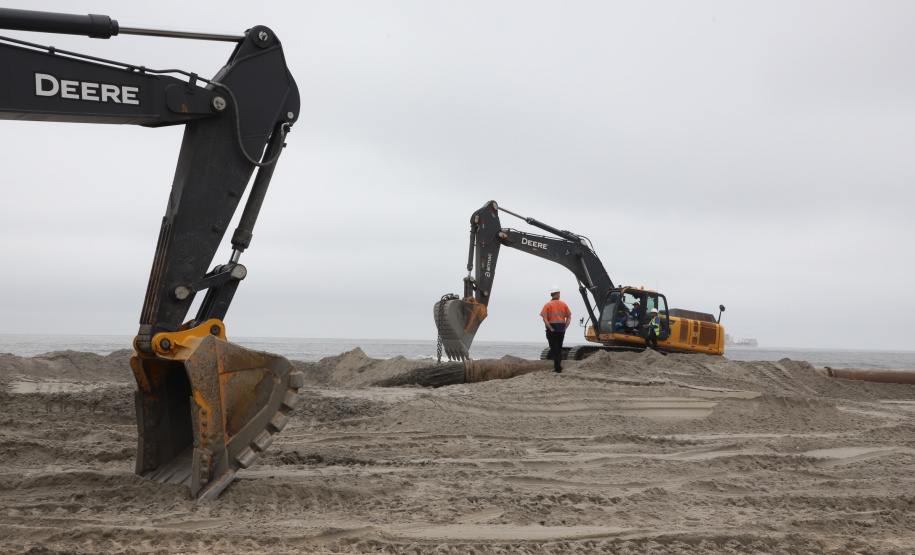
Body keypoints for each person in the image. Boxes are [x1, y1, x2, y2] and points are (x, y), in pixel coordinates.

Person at [541, 285, 571, 373]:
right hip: (561, 331)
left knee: (555, 350)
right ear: (558, 294)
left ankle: (557, 368)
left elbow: (544, 318)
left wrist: (550, 328)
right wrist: (565, 327)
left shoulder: (547, 305)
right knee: (559, 348)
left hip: (552, 331)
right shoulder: (564, 304)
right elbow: (569, 317)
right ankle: (558, 367)